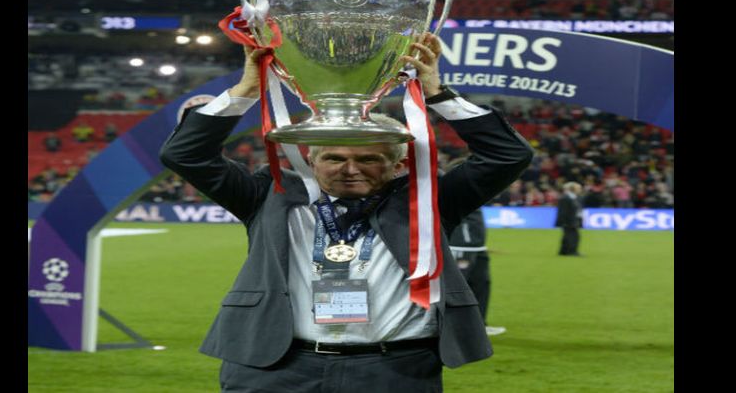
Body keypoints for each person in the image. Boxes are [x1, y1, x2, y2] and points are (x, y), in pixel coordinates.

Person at [160, 32, 534, 392]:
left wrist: (437, 92)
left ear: (399, 165)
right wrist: (245, 89)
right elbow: (185, 155)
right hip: (275, 369)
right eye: (335, 158)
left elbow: (508, 155)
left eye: (368, 159)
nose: (350, 169)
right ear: (310, 160)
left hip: (393, 372)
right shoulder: (268, 194)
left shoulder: (429, 199)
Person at [448, 208, 506, 336]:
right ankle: (450, 327)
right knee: (458, 288)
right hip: (461, 244)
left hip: (478, 245)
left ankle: (479, 326)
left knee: (482, 284)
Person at [556, 181, 584, 256]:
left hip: (573, 220)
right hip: (569, 221)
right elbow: (563, 211)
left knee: (567, 236)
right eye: (578, 188)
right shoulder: (566, 198)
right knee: (574, 236)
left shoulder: (574, 197)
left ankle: (563, 251)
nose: (580, 190)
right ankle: (572, 251)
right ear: (573, 189)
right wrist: (563, 221)